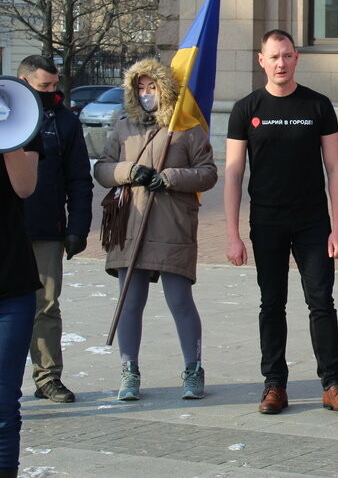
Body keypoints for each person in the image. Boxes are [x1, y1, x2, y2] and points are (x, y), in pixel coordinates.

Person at [225, 29, 338, 414]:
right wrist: (232, 234)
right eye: (274, 56)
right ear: (260, 60)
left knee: (321, 302)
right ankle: (274, 386)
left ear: (297, 58)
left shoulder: (318, 105)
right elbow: (233, 173)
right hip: (266, 222)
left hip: (313, 222)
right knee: (272, 304)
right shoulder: (246, 109)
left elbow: (335, 167)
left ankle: (332, 385)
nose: (281, 63)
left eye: (287, 55)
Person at [94, 58, 217, 401]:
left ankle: (193, 369)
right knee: (130, 301)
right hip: (130, 225)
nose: (146, 94)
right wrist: (128, 172)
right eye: (140, 88)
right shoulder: (123, 127)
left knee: (179, 300)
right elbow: (102, 169)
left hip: (172, 225)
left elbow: (208, 173)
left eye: (152, 87)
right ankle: (129, 370)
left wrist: (171, 178)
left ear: (165, 89)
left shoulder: (187, 128)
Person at [17, 56, 93, 405]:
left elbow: (79, 178)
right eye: (43, 87)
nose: (52, 92)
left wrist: (78, 226)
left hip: (47, 227)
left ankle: (48, 377)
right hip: (8, 228)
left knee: (45, 306)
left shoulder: (64, 120)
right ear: (23, 82)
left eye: (54, 85)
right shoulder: (6, 115)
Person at [0, 127, 43, 478]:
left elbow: (25, 186)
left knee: (3, 405)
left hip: (11, 286)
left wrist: (6, 133)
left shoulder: (18, 123)